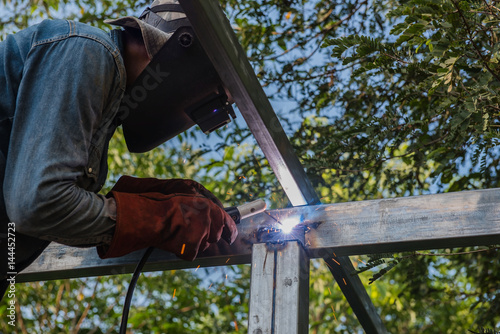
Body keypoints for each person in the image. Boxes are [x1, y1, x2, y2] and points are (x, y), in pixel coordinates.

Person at [0, 0, 238, 298]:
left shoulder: (100, 119)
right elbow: (38, 205)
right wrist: (158, 217)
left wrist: (142, 201)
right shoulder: (89, 51)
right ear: (177, 51)